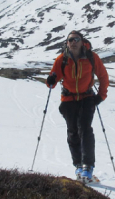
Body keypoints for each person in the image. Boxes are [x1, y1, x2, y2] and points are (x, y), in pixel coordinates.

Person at [46, 31, 109, 183]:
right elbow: (52, 82)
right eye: (70, 40)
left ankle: (87, 167)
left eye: (76, 39)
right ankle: (79, 166)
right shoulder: (62, 59)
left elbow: (103, 76)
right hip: (68, 99)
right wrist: (51, 80)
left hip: (87, 98)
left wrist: (100, 96)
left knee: (85, 129)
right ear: (67, 43)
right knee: (73, 132)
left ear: (82, 42)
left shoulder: (91, 57)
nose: (73, 42)